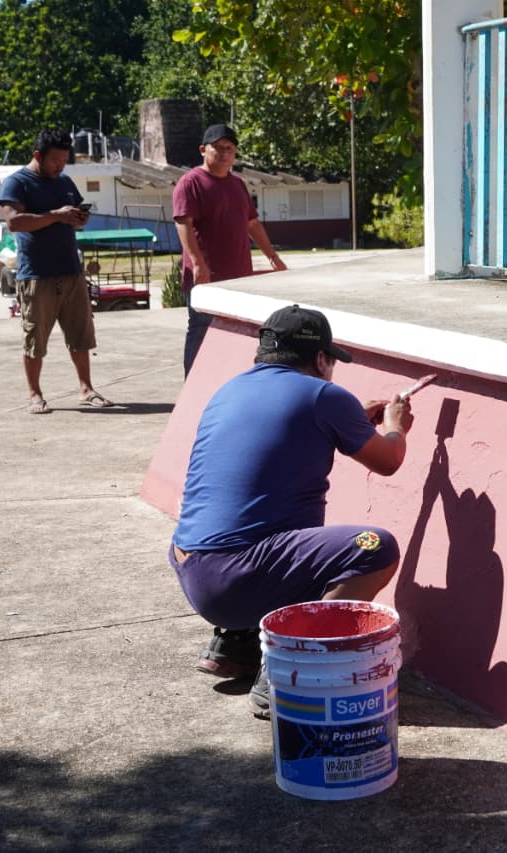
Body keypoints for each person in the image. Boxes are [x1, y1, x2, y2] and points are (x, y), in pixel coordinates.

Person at [169, 304, 415, 717]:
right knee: (374, 547)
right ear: (320, 358)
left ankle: (235, 645)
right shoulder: (324, 395)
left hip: (190, 564)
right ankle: (290, 665)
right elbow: (389, 460)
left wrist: (351, 417)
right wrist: (395, 426)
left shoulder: (228, 389)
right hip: (237, 575)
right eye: (331, 361)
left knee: (282, 532)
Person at [0, 128, 112, 414]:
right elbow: (15, 222)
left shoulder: (64, 181)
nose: (60, 166)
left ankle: (86, 388)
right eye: (55, 160)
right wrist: (55, 216)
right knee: (35, 338)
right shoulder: (16, 183)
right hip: (36, 274)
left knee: (81, 335)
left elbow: (74, 218)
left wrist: (77, 218)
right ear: (38, 156)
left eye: (64, 160)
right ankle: (35, 395)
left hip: (71, 271)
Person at [172, 123, 287, 377]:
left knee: (238, 333)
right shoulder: (190, 182)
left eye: (230, 148)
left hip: (239, 276)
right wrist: (198, 263)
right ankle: (194, 385)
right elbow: (183, 223)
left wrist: (273, 257)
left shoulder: (237, 184)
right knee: (201, 330)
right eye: (218, 148)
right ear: (203, 150)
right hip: (206, 278)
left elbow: (252, 224)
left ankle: (229, 382)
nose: (224, 153)